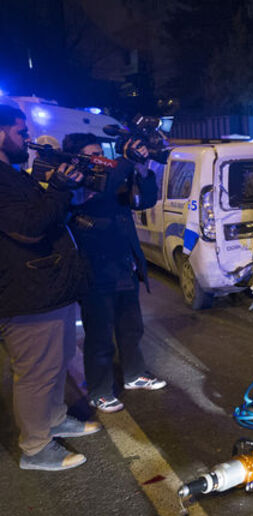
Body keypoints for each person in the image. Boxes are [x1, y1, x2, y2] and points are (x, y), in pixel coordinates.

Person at [0, 105, 101, 471]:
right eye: (20, 131)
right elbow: (29, 227)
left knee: (56, 362)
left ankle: (54, 418)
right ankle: (35, 447)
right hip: (27, 294)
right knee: (36, 373)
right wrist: (58, 187)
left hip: (48, 288)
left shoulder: (12, 174)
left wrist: (64, 189)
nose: (27, 139)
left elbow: (46, 213)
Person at [64, 132, 164, 413]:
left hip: (124, 266)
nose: (100, 159)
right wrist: (126, 160)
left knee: (131, 328)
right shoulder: (75, 182)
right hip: (95, 270)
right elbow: (102, 190)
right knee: (99, 336)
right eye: (93, 155)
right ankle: (99, 391)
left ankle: (135, 375)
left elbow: (144, 200)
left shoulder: (114, 176)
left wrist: (142, 168)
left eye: (101, 153)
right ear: (76, 158)